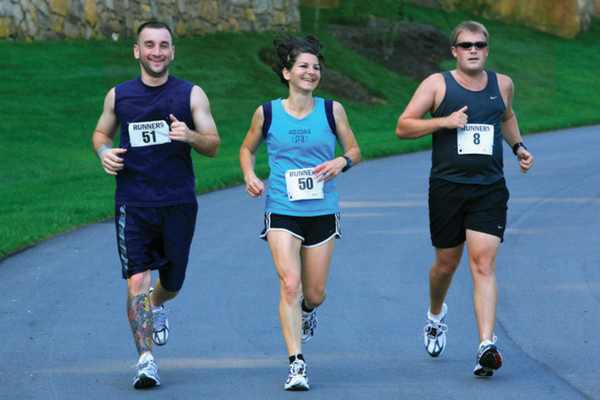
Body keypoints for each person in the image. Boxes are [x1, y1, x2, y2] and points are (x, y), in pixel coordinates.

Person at [395, 21, 534, 377]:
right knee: (445, 265)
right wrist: (443, 122)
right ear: (454, 51)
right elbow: (403, 126)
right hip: (447, 188)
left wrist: (518, 146)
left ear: (487, 50)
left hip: (489, 188)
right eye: (466, 45)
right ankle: (435, 314)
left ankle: (486, 345)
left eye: (480, 44)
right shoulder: (437, 84)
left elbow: (507, 116)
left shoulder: (503, 84)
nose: (473, 50)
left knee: (483, 265)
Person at [91, 21, 220, 389]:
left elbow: (213, 145)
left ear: (172, 52)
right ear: (137, 51)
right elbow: (101, 131)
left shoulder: (192, 95)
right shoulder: (119, 96)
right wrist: (103, 150)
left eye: (164, 45)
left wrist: (190, 135)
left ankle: (157, 304)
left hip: (178, 202)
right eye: (149, 44)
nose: (157, 51)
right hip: (133, 203)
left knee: (173, 282)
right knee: (136, 278)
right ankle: (146, 360)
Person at [239, 31, 360, 390]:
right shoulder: (268, 113)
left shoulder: (330, 109)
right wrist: (249, 175)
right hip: (281, 207)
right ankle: (296, 364)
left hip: (323, 209)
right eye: (303, 66)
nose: (311, 72)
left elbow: (354, 150)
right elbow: (247, 149)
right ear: (287, 72)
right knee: (289, 284)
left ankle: (308, 313)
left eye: (316, 67)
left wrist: (341, 161)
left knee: (314, 293)